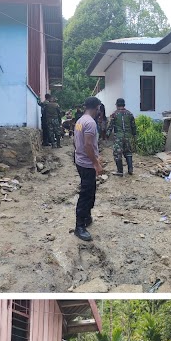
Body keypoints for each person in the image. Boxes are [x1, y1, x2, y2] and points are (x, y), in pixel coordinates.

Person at [73, 96, 104, 242]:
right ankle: (79, 226)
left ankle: (86, 217)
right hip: (87, 164)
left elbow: (76, 141)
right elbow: (88, 145)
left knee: (90, 190)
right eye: (99, 108)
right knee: (86, 194)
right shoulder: (90, 123)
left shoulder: (80, 121)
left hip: (80, 161)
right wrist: (96, 163)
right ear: (97, 107)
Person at [106, 98, 136, 176]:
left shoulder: (114, 114)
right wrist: (134, 135)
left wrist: (107, 135)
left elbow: (110, 126)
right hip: (128, 137)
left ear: (117, 105)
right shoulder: (130, 114)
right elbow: (133, 126)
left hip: (118, 137)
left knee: (117, 153)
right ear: (124, 104)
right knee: (128, 152)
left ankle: (120, 171)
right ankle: (130, 169)